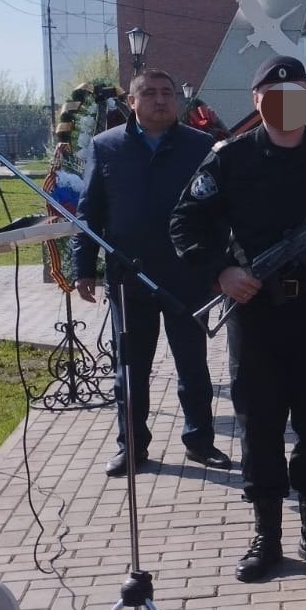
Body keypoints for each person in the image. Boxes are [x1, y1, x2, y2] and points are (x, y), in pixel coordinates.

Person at [171, 56, 306, 583]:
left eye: (295, 94)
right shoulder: (229, 158)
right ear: (256, 99)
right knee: (259, 425)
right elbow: (185, 221)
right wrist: (221, 273)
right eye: (273, 94)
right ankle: (267, 535)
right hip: (255, 312)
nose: (285, 103)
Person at [74, 68, 226, 477]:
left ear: (176, 100)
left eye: (167, 93)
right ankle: (132, 446)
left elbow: (218, 214)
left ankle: (200, 442)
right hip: (129, 279)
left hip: (186, 277)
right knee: (130, 370)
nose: (160, 100)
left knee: (193, 366)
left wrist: (217, 267)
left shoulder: (200, 146)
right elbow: (90, 213)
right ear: (132, 102)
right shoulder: (107, 146)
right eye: (150, 93)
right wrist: (83, 268)